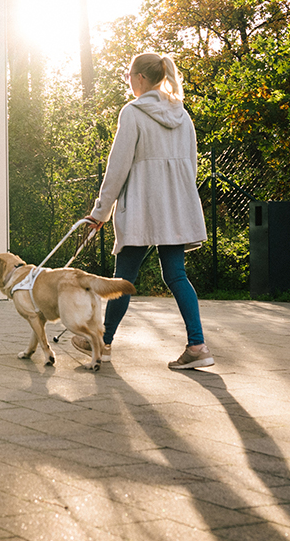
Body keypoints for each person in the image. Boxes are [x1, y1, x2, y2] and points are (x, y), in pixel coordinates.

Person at [77, 52, 213, 370]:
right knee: (176, 274)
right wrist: (176, 198)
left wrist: (101, 211)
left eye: (129, 77)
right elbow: (191, 167)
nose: (129, 82)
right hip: (176, 208)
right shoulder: (183, 115)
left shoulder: (133, 113)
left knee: (123, 278)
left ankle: (103, 342)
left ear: (140, 78)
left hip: (142, 208)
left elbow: (117, 168)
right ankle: (198, 346)